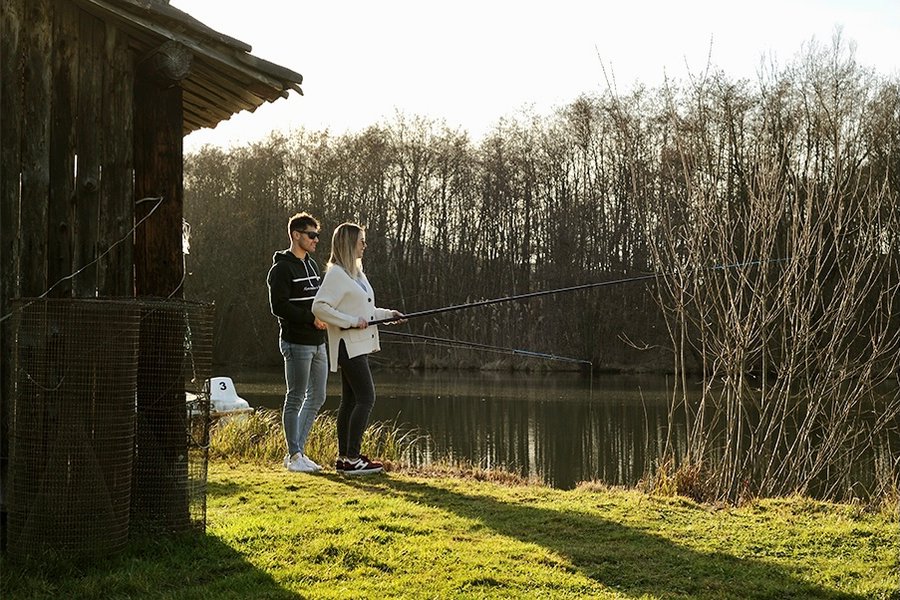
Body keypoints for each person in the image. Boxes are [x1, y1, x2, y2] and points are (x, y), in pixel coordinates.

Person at [312, 222, 404, 475]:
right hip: (347, 346)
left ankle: (345, 458)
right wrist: (351, 323)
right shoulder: (337, 274)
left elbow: (365, 312)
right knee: (366, 398)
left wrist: (388, 314)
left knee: (351, 401)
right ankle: (352, 458)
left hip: (357, 345)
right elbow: (319, 307)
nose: (365, 244)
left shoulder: (357, 274)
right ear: (349, 243)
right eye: (361, 240)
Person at [267, 212, 328, 473]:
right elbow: (278, 307)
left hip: (318, 341)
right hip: (296, 342)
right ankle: (294, 456)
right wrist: (309, 319)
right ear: (296, 235)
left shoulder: (312, 265)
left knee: (318, 396)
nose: (315, 240)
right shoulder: (281, 269)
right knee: (295, 398)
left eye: (317, 235)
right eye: (311, 235)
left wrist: (324, 318)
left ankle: (298, 452)